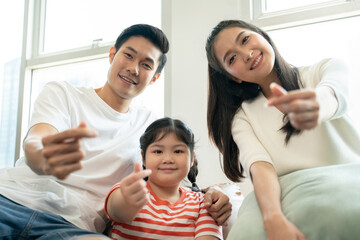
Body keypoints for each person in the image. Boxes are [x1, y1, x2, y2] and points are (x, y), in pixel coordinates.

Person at [0, 24, 231, 240]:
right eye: (128, 55)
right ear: (112, 55)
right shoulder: (63, 93)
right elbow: (37, 140)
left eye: (146, 65)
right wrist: (42, 156)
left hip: (71, 226)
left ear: (154, 78)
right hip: (10, 200)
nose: (133, 69)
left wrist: (212, 192)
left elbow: (170, 175)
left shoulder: (150, 126)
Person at [205, 19, 360, 240]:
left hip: (348, 179)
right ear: (233, 77)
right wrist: (273, 219)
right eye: (232, 58)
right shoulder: (242, 117)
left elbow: (333, 94)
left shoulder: (324, 69)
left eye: (245, 39)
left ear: (262, 35)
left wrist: (317, 105)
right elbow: (260, 168)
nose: (246, 54)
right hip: (286, 194)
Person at [105, 117, 223, 239]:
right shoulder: (130, 191)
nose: (168, 159)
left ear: (192, 158)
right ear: (143, 158)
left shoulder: (204, 204)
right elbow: (117, 211)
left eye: (178, 151)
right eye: (158, 151)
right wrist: (128, 201)